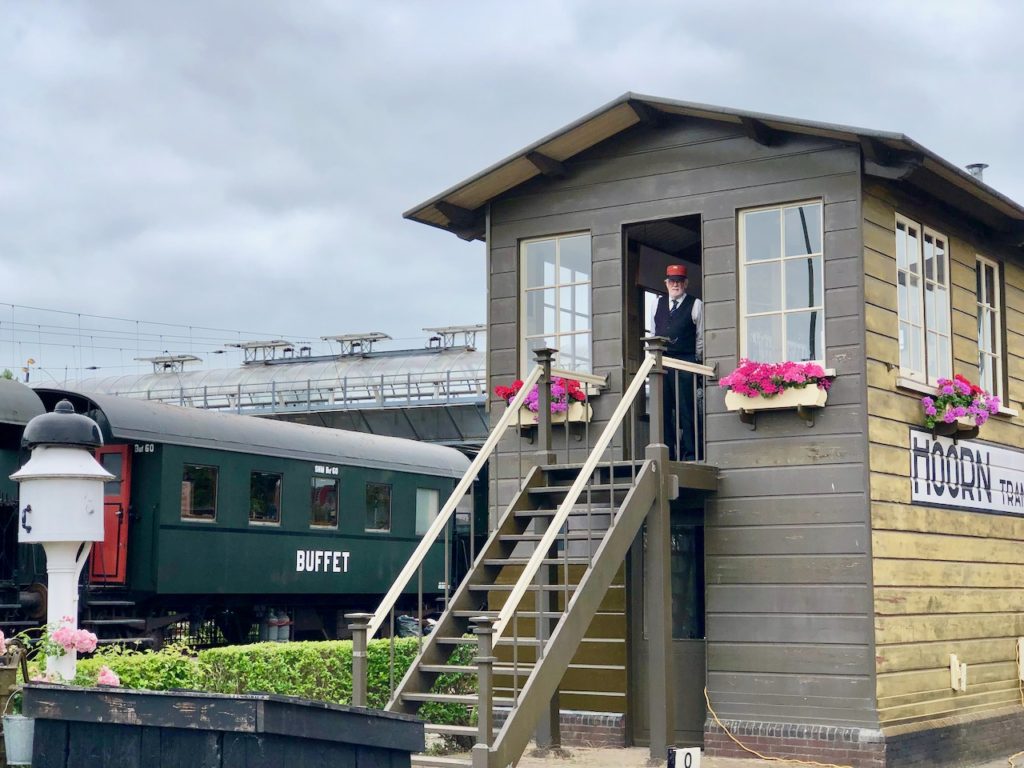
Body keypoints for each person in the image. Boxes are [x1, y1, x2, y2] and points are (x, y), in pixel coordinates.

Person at [650, 264, 704, 460]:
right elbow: (654, 333)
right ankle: (668, 455)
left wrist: (694, 359)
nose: (676, 285)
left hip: (685, 361)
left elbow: (700, 338)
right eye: (672, 281)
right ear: (666, 283)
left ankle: (691, 454)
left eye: (679, 281)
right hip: (661, 363)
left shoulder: (695, 304)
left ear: (686, 283)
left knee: (686, 409)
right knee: (662, 411)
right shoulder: (657, 304)